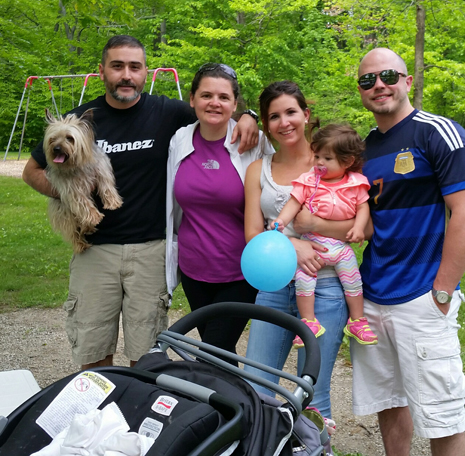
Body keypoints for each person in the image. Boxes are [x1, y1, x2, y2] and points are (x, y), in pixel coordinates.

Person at [22, 35, 259, 371]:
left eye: (135, 67)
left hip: (151, 252)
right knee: (92, 353)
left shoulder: (169, 113)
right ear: (102, 71)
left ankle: (137, 417)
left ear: (146, 72)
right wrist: (73, 195)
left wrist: (249, 115)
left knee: (147, 355)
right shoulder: (79, 121)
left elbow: (216, 111)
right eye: (117, 66)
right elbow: (32, 171)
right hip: (94, 251)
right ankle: (98, 420)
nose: (126, 75)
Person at [295, 48, 465, 456]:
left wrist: (443, 291)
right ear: (360, 90)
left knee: (441, 413)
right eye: (367, 80)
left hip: (422, 296)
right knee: (389, 402)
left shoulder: (437, 132)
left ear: (407, 81)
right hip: (372, 296)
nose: (379, 85)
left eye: (388, 76)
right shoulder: (364, 150)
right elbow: (359, 219)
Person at [243, 81, 353, 435]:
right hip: (274, 289)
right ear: (266, 124)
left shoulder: (331, 163)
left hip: (326, 289)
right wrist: (294, 246)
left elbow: (358, 227)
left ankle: (315, 446)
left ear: (306, 115)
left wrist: (311, 225)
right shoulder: (258, 170)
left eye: (291, 112)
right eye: (274, 116)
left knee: (313, 395)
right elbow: (252, 235)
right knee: (257, 387)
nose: (284, 122)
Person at [165, 63, 274, 364]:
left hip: (241, 270)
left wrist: (251, 118)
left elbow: (282, 180)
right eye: (206, 95)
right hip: (194, 270)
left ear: (235, 104)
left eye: (224, 97)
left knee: (211, 353)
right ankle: (234, 409)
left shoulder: (254, 142)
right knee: (221, 353)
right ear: (192, 99)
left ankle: (218, 407)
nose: (215, 103)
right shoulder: (180, 141)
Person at [272, 123, 377, 349]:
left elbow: (363, 208)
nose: (319, 162)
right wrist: (281, 221)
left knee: (353, 281)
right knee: (304, 279)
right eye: (317, 155)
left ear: (347, 162)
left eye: (327, 158)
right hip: (313, 246)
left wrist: (358, 228)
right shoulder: (309, 181)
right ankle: (308, 321)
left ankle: (357, 320)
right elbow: (294, 202)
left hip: (340, 249)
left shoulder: (354, 183)